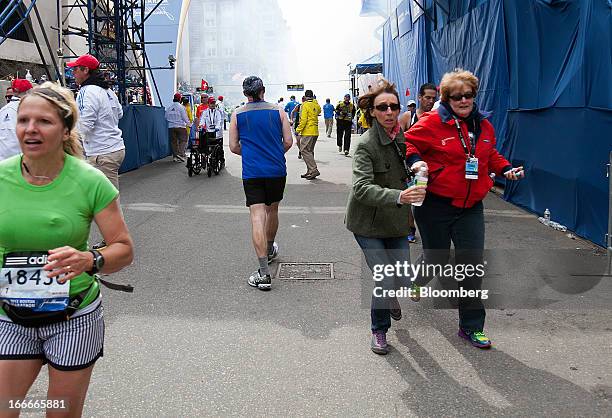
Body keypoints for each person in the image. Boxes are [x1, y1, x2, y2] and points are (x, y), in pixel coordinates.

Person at [0, 82, 134, 416]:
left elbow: (124, 249)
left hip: (73, 316)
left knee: (58, 412)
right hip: (10, 315)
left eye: (43, 121)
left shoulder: (89, 181)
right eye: (23, 120)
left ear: (65, 130)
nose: (31, 129)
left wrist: (90, 259)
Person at [405, 69, 524, 349]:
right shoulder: (432, 123)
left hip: (470, 206)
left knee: (471, 268)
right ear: (446, 99)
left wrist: (505, 169)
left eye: (468, 95)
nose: (463, 100)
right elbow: (408, 141)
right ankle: (417, 279)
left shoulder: (484, 126)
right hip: (435, 204)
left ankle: (471, 327)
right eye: (456, 96)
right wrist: (416, 163)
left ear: (474, 95)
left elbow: (489, 153)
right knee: (437, 257)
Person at [345, 78, 426, 355]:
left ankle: (393, 291)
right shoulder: (366, 145)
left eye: (394, 106)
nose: (389, 112)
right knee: (383, 276)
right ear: (372, 112)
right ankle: (379, 331)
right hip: (367, 223)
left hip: (395, 222)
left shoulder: (402, 137)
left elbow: (414, 157)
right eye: (383, 107)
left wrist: (418, 167)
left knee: (401, 276)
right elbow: (361, 188)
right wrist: (399, 196)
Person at [229, 76, 293, 291]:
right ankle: (270, 248)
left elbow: (233, 146)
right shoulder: (279, 111)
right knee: (272, 210)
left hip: (253, 172)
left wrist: (250, 155)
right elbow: (288, 142)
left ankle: (264, 274)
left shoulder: (237, 114)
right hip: (276, 170)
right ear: (263, 90)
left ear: (245, 94)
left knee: (257, 216)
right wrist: (274, 154)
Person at [67, 54, 125, 191]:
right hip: (114, 149)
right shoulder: (107, 90)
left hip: (101, 152)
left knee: (106, 202)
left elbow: (84, 125)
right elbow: (120, 113)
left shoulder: (86, 91)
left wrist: (68, 141)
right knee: (102, 199)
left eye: (75, 69)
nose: (73, 73)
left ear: (85, 70)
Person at [0, 79, 33, 161]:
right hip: (20, 161)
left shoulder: (3, 110)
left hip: (3, 161)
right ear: (28, 92)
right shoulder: (28, 109)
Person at [296, 89, 321, 180]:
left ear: (305, 96)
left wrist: (298, 130)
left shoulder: (304, 105)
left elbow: (303, 120)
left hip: (307, 131)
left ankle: (313, 170)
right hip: (315, 131)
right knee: (310, 151)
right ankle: (310, 171)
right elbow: (318, 111)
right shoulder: (316, 105)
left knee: (303, 150)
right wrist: (315, 100)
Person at [165, 92, 190, 162]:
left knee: (173, 142)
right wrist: (189, 124)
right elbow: (185, 117)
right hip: (180, 126)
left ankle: (175, 156)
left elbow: (166, 117)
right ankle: (181, 154)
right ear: (180, 99)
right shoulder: (181, 107)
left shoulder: (169, 107)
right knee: (183, 140)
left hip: (171, 127)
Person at [200, 96, 225, 163]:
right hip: (208, 131)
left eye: (214, 103)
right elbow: (202, 120)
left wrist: (217, 127)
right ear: (208, 104)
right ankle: (204, 155)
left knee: (219, 147)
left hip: (217, 132)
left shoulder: (218, 112)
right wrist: (201, 125)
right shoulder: (205, 112)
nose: (213, 105)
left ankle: (221, 160)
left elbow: (219, 120)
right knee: (204, 142)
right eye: (211, 103)